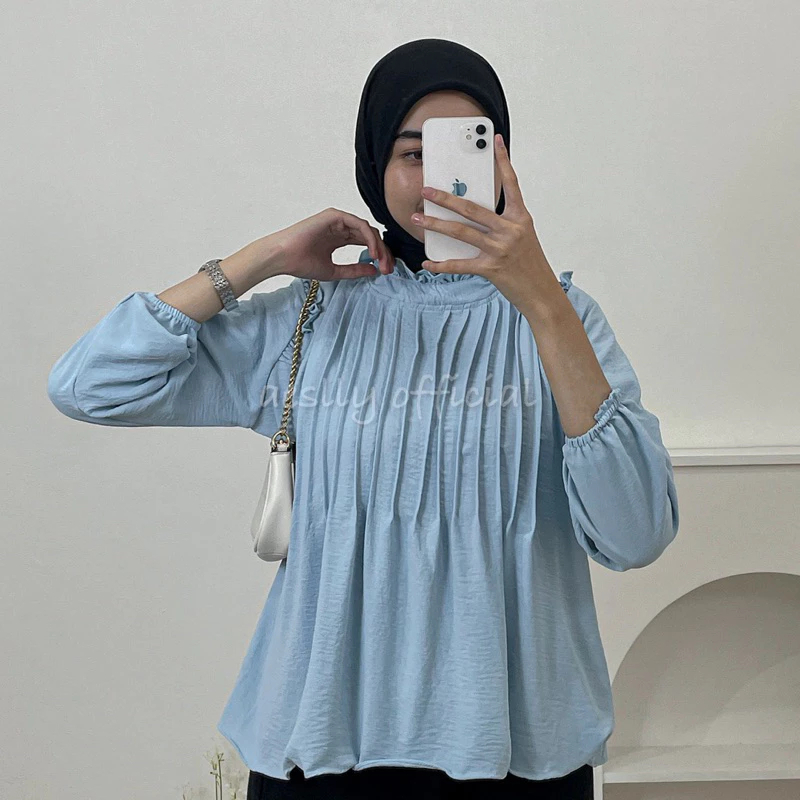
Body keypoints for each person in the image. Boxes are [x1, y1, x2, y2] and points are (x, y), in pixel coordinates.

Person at [47, 38, 679, 800]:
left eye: (468, 150)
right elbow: (89, 385)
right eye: (413, 153)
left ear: (505, 163)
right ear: (374, 162)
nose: (439, 180)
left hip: (515, 750)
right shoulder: (314, 315)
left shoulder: (563, 317)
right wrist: (262, 258)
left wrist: (539, 295)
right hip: (322, 747)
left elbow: (635, 534)